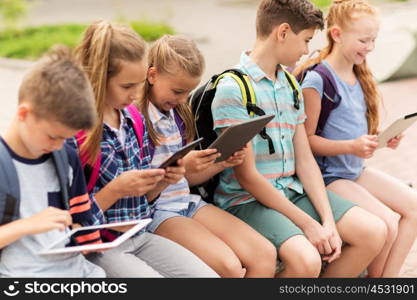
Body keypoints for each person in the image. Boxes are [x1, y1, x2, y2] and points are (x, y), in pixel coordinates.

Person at [211, 0, 388, 277]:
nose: (307, 50)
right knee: (306, 260)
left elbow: (305, 160)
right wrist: (309, 225)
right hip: (247, 201)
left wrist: (328, 220)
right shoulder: (234, 88)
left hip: (292, 192)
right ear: (282, 32)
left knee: (373, 232)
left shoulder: (291, 84)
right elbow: (247, 177)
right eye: (305, 40)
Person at [68, 20, 218, 278]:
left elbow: (144, 203)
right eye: (127, 86)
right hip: (101, 245)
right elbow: (70, 220)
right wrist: (115, 190)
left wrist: (162, 181)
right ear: (99, 78)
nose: (136, 94)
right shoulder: (76, 133)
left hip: (139, 234)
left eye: (138, 84)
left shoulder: (132, 120)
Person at [137, 34, 277, 278]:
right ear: (152, 75)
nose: (183, 100)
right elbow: (143, 192)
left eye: (188, 92)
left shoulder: (177, 115)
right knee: (230, 267)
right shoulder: (137, 119)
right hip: (157, 211)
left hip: (187, 202)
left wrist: (220, 162)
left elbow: (186, 181)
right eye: (178, 91)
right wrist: (179, 166)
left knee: (264, 254)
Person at [297, 0, 417, 277]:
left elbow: (350, 132)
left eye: (373, 39)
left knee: (413, 207)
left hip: (353, 170)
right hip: (330, 176)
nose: (370, 47)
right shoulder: (318, 80)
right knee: (386, 221)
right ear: (337, 34)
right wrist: (351, 146)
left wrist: (381, 139)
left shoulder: (357, 72)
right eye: (364, 40)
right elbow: (305, 141)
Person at [0, 47, 105, 277]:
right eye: (53, 136)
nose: (59, 145)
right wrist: (28, 225)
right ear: (24, 114)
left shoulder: (65, 156)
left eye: (66, 138)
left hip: (79, 271)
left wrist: (84, 233)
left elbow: (79, 221)